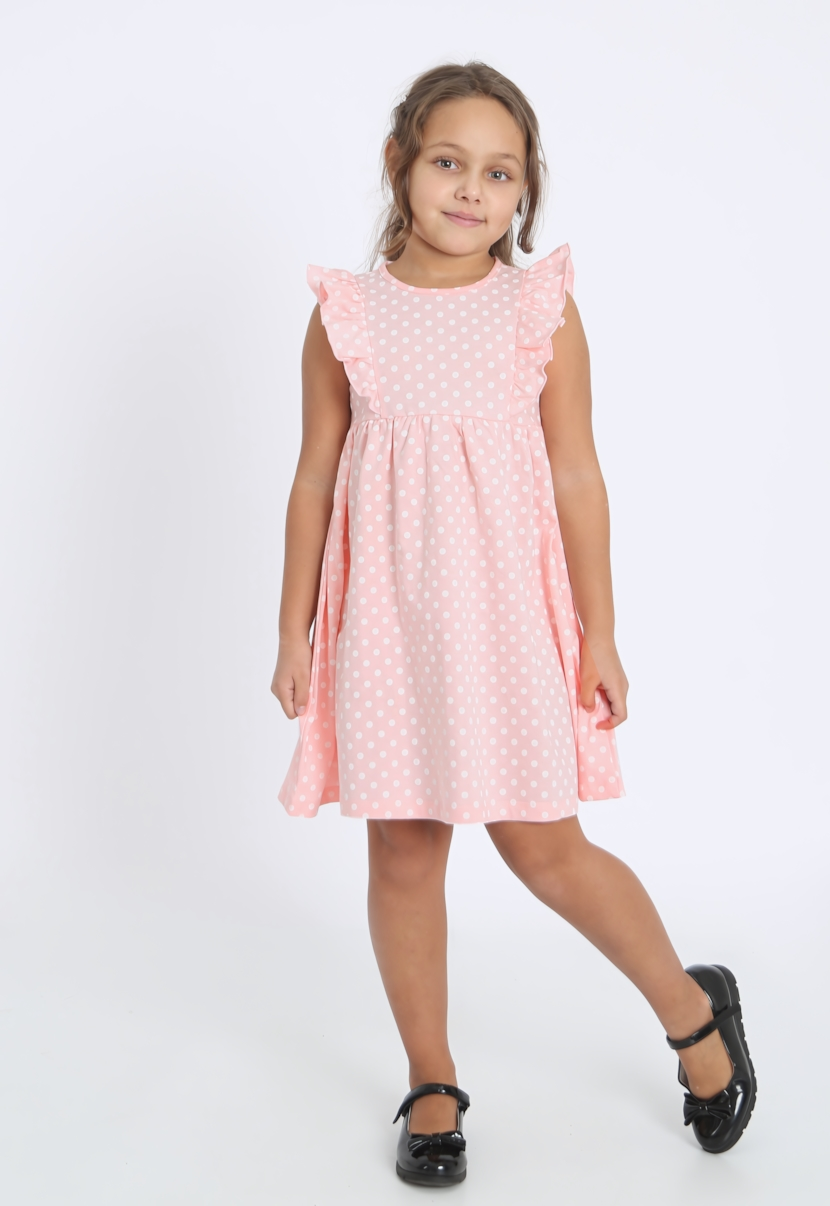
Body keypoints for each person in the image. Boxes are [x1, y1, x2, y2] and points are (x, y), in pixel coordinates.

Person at [271, 61, 756, 1187]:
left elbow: (577, 473)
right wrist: (294, 629)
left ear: (525, 190)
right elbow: (313, 477)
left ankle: (692, 1011)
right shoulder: (349, 315)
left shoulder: (538, 309)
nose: (473, 190)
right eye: (450, 163)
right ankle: (432, 1081)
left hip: (508, 621)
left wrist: (601, 631)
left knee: (543, 845)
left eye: (501, 173)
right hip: (389, 625)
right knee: (403, 849)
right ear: (400, 163)